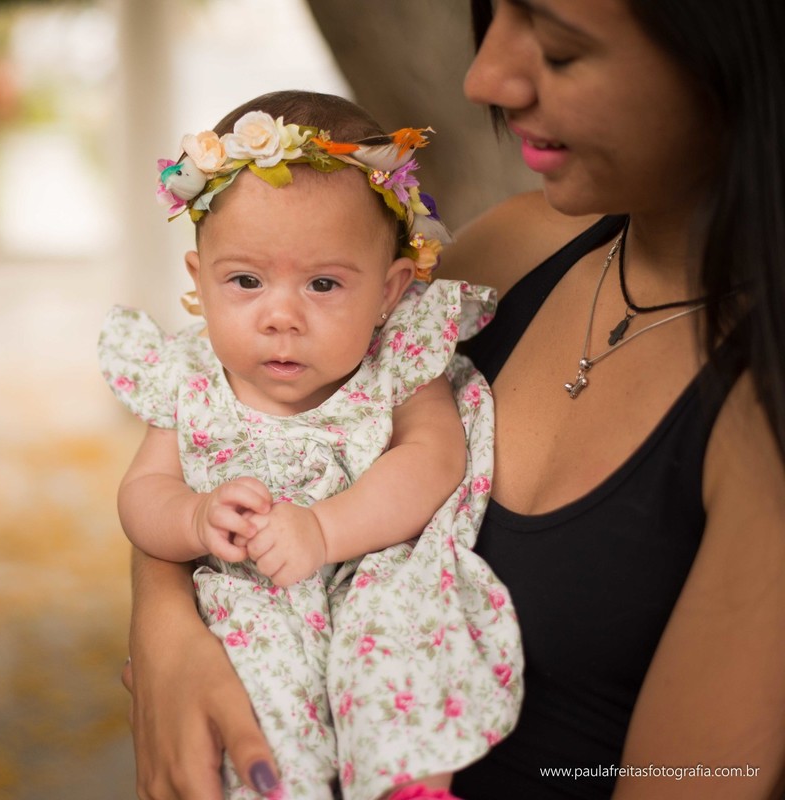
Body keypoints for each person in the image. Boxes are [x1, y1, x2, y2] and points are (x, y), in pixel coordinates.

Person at [120, 1, 785, 798]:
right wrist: (166, 627)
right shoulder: (509, 253)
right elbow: (239, 422)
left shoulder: (761, 413)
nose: (485, 77)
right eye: (491, 14)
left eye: (563, 48)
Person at [100, 91, 522, 799]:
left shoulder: (398, 365)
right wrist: (194, 517)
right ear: (199, 282)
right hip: (251, 600)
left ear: (390, 291)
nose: (281, 317)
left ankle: (406, 786)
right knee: (257, 701)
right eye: (245, 281)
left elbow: (434, 460)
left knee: (401, 658)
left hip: (371, 574)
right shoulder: (187, 375)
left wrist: (325, 530)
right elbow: (143, 493)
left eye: (324, 283)